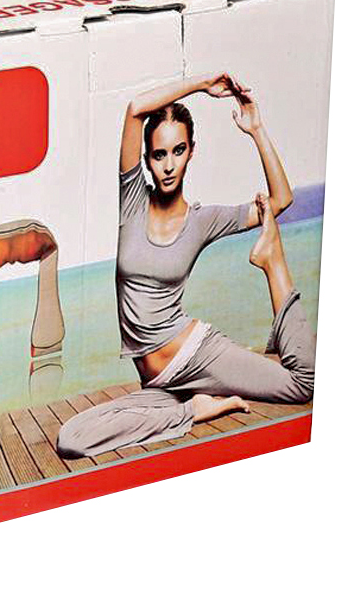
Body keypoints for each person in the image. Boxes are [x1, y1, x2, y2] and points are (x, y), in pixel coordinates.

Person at [57, 74, 315, 459]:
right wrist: (200, 84)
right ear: (147, 159)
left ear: (191, 151)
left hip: (198, 354)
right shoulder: (133, 203)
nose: (168, 165)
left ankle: (272, 261)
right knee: (71, 439)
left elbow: (280, 199)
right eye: (158, 155)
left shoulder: (202, 221)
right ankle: (193, 408)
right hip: (159, 385)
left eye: (178, 151)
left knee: (302, 383)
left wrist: (256, 129)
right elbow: (135, 109)